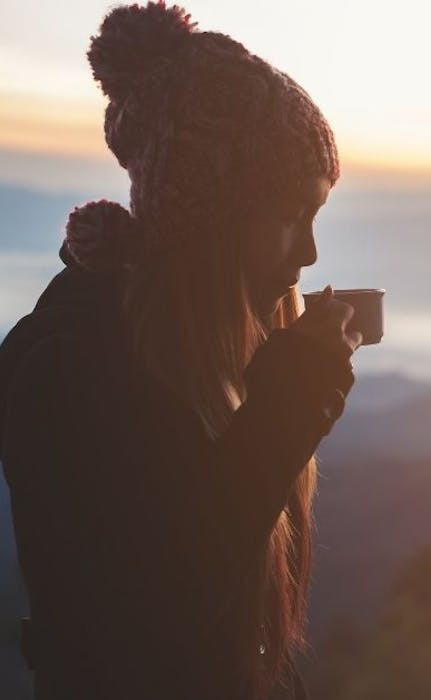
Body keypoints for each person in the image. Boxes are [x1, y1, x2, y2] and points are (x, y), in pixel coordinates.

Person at [0, 2, 362, 698]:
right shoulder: (73, 378)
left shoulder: (186, 369)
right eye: (292, 219)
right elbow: (152, 623)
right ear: (209, 221)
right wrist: (288, 406)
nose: (311, 253)